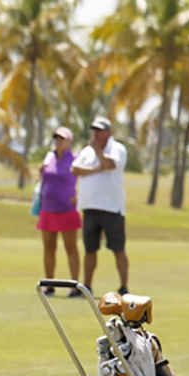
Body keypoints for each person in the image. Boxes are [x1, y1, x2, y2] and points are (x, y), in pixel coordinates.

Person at [71, 116, 130, 297]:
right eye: (94, 130)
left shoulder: (117, 148)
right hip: (89, 207)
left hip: (111, 207)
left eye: (100, 130)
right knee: (90, 249)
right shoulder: (87, 151)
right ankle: (87, 286)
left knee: (118, 248)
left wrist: (99, 153)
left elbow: (110, 164)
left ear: (109, 132)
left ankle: (124, 287)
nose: (96, 133)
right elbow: (75, 169)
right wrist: (97, 168)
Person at [36, 127, 82, 297]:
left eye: (62, 138)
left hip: (67, 209)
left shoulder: (75, 159)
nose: (58, 141)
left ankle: (75, 285)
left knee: (71, 247)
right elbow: (43, 177)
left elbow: (86, 178)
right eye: (56, 138)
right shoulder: (50, 156)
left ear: (69, 141)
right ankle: (49, 284)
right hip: (48, 207)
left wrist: (80, 196)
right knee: (49, 247)